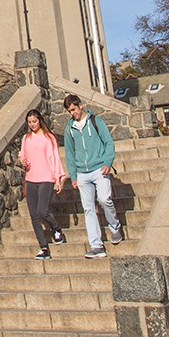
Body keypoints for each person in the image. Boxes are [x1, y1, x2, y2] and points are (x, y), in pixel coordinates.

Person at [61, 93, 123, 258]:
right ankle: (96, 245)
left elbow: (108, 142)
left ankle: (115, 226)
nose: (72, 113)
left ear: (80, 105)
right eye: (69, 111)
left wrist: (107, 162)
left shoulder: (96, 121)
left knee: (104, 199)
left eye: (73, 109)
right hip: (82, 173)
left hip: (99, 169)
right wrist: (73, 176)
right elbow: (69, 153)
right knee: (88, 209)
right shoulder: (69, 129)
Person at [19, 108, 68, 259]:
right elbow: (22, 154)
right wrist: (22, 160)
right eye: (29, 122)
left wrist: (58, 179)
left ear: (39, 120)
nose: (32, 125)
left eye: (34, 121)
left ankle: (56, 227)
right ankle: (43, 247)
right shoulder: (26, 138)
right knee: (34, 215)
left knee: (43, 211)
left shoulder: (49, 137)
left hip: (46, 177)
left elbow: (55, 158)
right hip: (31, 179)